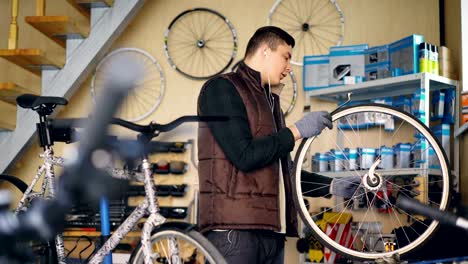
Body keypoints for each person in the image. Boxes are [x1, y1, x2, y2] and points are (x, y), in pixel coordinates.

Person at [196, 26, 335, 264]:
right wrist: (297, 130)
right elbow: (245, 156)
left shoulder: (271, 104)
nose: (289, 67)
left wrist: (334, 186)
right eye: (286, 57)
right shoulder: (222, 88)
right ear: (264, 51)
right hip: (234, 233)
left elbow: (283, 174)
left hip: (270, 233)